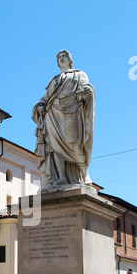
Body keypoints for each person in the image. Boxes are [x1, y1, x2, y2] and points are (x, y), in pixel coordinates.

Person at [32, 50, 95, 189]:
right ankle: (61, 178)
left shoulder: (78, 74)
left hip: (71, 113)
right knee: (54, 148)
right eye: (59, 57)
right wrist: (40, 106)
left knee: (75, 144)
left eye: (64, 56)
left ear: (70, 60)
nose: (61, 59)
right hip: (52, 116)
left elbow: (87, 87)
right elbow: (44, 99)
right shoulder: (53, 80)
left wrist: (85, 92)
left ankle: (84, 174)